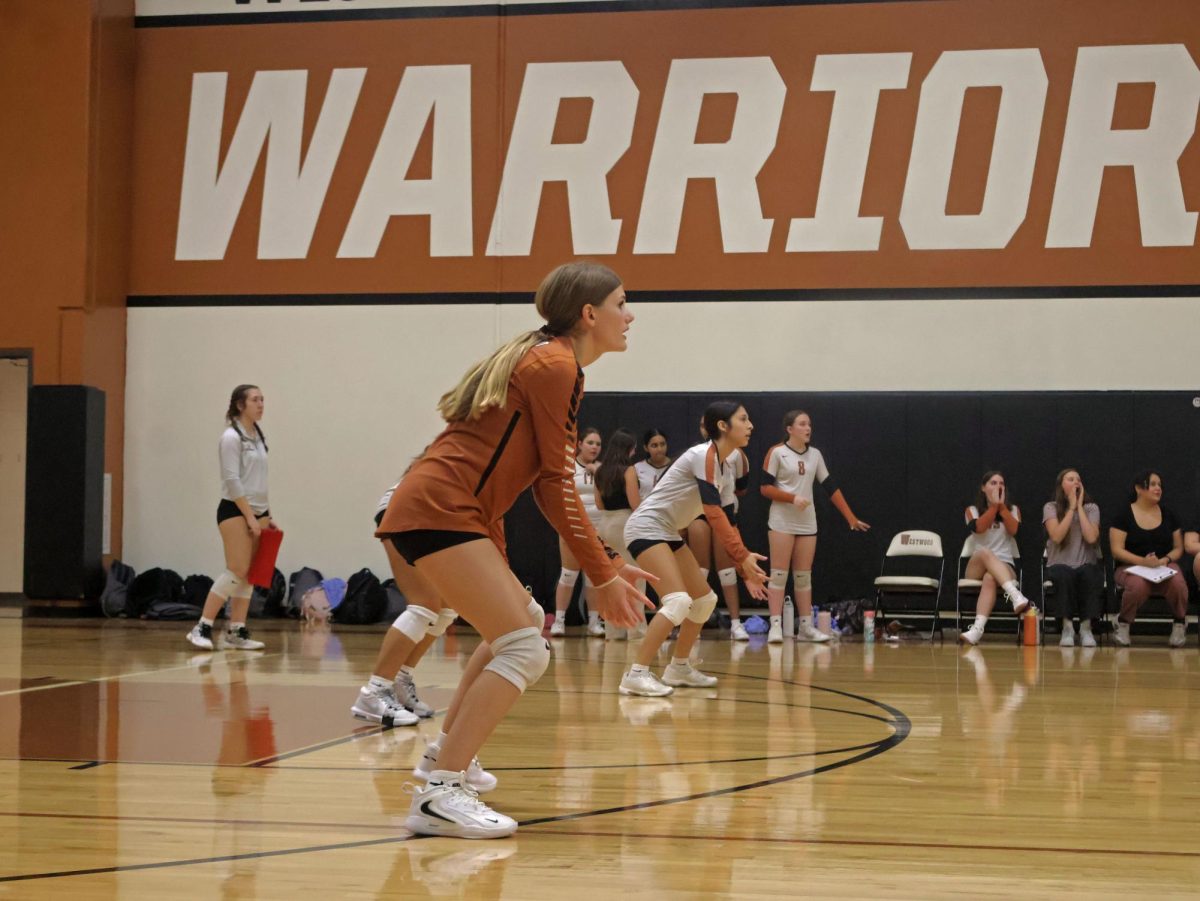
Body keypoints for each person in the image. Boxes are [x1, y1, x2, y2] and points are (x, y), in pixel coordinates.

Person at [376, 261, 652, 839]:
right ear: (589, 313)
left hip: (450, 511)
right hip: (438, 510)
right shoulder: (555, 364)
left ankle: (443, 760)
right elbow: (555, 481)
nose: (631, 315)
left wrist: (605, 563)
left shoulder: (551, 360)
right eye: (623, 303)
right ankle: (440, 794)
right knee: (527, 649)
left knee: (523, 623)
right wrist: (602, 574)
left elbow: (509, 478)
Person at [619, 401, 768, 697]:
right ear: (723, 426)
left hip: (666, 531)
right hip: (646, 528)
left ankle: (679, 667)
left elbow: (727, 520)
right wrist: (741, 556)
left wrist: (744, 567)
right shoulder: (703, 455)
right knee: (677, 602)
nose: (750, 425)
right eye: (744, 419)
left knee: (704, 601)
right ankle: (635, 674)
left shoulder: (726, 467)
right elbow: (712, 513)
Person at [760, 410, 870, 644]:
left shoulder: (815, 455)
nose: (808, 428)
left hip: (807, 522)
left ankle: (806, 627)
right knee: (778, 575)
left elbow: (830, 486)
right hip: (781, 521)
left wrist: (850, 517)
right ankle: (776, 627)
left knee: (803, 577)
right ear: (789, 429)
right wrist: (792, 498)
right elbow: (765, 489)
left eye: (809, 424)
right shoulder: (777, 453)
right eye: (802, 424)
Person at [187, 385, 277, 652]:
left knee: (250, 574)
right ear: (240, 405)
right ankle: (202, 626)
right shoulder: (230, 437)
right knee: (236, 569)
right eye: (255, 400)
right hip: (235, 511)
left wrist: (267, 515)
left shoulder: (257, 435)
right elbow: (232, 479)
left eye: (263, 399)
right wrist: (249, 516)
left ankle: (236, 630)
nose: (261, 404)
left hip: (258, 513)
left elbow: (258, 481)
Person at [685, 418, 751, 640]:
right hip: (699, 512)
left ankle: (735, 623)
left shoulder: (737, 455)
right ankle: (692, 624)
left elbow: (742, 488)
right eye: (703, 424)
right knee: (700, 568)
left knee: (727, 569)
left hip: (725, 511)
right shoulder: (697, 453)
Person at [1109, 470, 1188, 647]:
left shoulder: (1169, 514)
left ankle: (1179, 623)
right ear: (1139, 488)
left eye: (1159, 485)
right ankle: (1123, 623)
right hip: (1130, 567)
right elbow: (1116, 550)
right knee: (1138, 585)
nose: (1158, 488)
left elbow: (1178, 548)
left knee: (1177, 582)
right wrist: (1142, 561)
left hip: (1162, 565)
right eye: (1152, 484)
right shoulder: (1123, 515)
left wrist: (1165, 560)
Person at [958, 471, 1032, 646]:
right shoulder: (972, 510)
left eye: (1001, 483)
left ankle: (976, 630)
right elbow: (979, 528)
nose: (998, 486)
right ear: (983, 488)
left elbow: (1014, 531)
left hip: (1004, 565)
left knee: (990, 577)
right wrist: (993, 506)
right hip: (977, 565)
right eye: (993, 483)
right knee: (984, 551)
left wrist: (1002, 508)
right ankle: (1015, 596)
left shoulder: (1013, 510)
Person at [592, 429, 647, 640]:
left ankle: (613, 631)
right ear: (627, 449)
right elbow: (635, 504)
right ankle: (636, 630)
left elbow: (598, 504)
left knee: (611, 578)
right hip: (625, 523)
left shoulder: (600, 471)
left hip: (604, 525)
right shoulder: (629, 470)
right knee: (634, 578)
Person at [550, 427, 604, 637]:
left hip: (598, 528)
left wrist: (598, 474)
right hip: (573, 526)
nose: (594, 447)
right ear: (579, 444)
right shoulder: (568, 467)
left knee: (593, 577)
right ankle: (559, 621)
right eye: (590, 442)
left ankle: (593, 622)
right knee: (569, 574)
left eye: (598, 444)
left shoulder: (601, 469)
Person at [1043, 468, 1102, 647]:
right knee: (1063, 574)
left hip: (1085, 563)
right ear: (1061, 485)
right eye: (1070, 479)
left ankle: (1086, 628)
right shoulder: (1051, 507)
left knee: (1090, 574)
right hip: (1060, 563)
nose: (1076, 482)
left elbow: (1092, 537)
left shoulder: (1091, 508)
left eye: (1078, 479)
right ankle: (1067, 627)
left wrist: (1079, 507)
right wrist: (1070, 508)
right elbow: (1057, 536)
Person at [631, 428, 672, 508]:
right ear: (646, 448)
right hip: (645, 515)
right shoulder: (637, 468)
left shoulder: (675, 466)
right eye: (654, 445)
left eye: (662, 444)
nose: (659, 449)